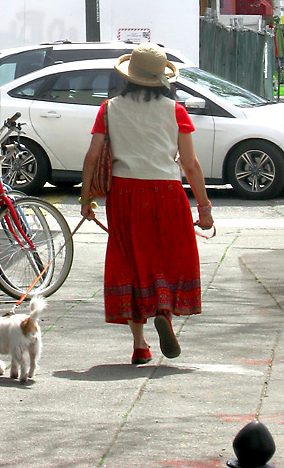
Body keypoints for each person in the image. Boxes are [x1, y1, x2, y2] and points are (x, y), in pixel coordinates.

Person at [80, 43, 215, 365]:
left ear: (128, 76)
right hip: (167, 191)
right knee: (167, 256)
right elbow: (192, 165)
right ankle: (164, 311)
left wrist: (86, 198)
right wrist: (205, 208)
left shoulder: (109, 109)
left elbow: (92, 156)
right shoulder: (176, 111)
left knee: (130, 260)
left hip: (125, 193)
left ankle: (140, 344)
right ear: (161, 79)